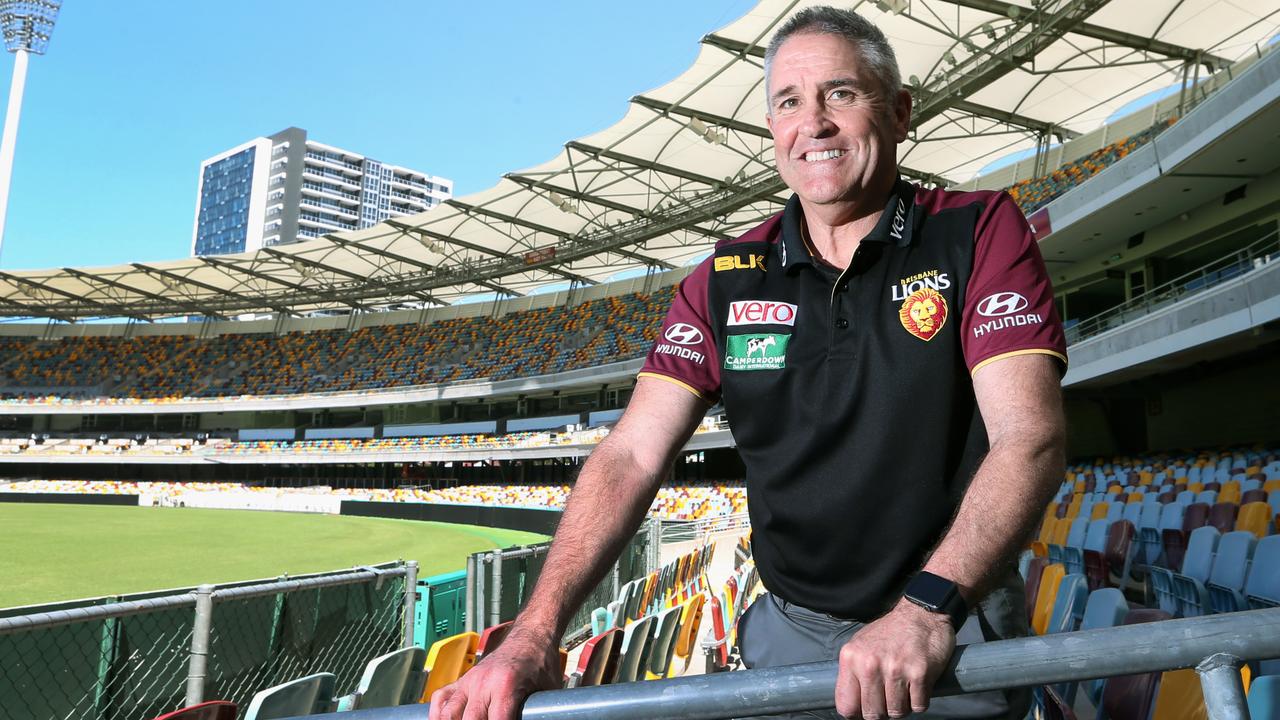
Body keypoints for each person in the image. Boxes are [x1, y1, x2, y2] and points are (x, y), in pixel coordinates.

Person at [429, 6, 1066, 720]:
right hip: (792, 638)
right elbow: (632, 455)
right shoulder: (724, 277)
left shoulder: (976, 229)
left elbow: (1028, 437)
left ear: (900, 112)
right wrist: (534, 634)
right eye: (789, 103)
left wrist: (927, 607)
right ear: (772, 131)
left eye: (842, 94)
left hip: (949, 631)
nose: (813, 122)